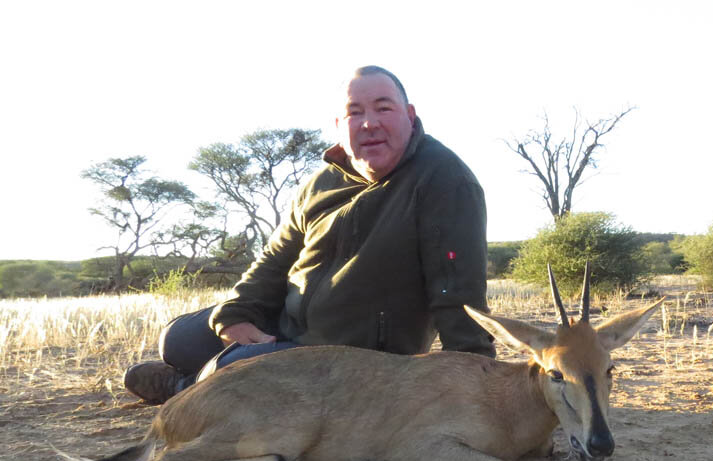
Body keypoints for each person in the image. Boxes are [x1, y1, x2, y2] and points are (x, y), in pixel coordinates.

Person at [124, 65, 495, 404]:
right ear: (339, 124)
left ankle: (185, 389)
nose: (369, 124)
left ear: (410, 116)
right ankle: (204, 376)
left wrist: (474, 379)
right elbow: (274, 260)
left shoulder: (445, 180)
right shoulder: (321, 182)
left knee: (228, 370)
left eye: (384, 108)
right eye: (355, 112)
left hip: (353, 355)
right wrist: (237, 313)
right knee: (176, 339)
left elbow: (457, 291)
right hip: (289, 324)